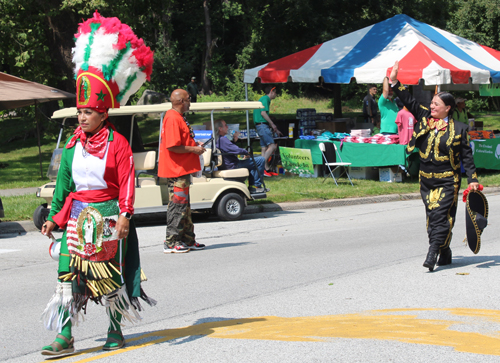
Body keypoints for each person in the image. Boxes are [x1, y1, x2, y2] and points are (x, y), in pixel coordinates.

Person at [40, 11, 155, 357]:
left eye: (88, 111)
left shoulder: (117, 143)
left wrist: (124, 216)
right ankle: (64, 335)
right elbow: (63, 187)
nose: (81, 116)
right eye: (79, 111)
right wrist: (53, 217)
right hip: (76, 219)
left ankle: (115, 329)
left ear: (103, 113)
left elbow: (127, 183)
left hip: (105, 218)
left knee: (108, 279)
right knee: (66, 279)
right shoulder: (72, 145)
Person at [390, 60, 479, 271]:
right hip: (426, 178)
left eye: (436, 104)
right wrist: (395, 82)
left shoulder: (460, 129)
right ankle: (445, 250)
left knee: (440, 215)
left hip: (448, 179)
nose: (432, 106)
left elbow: (467, 156)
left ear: (447, 108)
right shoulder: (424, 118)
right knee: (432, 217)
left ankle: (432, 253)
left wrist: (473, 179)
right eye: (431, 103)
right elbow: (409, 100)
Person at [158, 89, 206, 253]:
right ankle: (171, 242)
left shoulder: (178, 117)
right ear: (180, 101)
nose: (190, 101)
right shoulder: (172, 118)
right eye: (188, 99)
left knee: (184, 207)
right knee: (177, 205)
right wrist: (193, 149)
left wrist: (194, 145)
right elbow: (172, 146)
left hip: (182, 169)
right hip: (176, 170)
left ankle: (187, 239)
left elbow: (181, 141)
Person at [214, 119, 269, 193]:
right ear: (220, 128)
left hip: (228, 164)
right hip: (233, 165)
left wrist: (234, 140)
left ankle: (253, 186)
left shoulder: (218, 139)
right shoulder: (222, 140)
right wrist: (247, 153)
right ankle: (256, 186)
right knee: (261, 160)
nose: (227, 127)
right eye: (225, 125)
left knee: (253, 162)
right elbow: (237, 150)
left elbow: (229, 148)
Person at [253, 86, 282, 176]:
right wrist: (272, 124)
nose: (276, 94)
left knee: (264, 148)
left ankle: (266, 170)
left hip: (259, 125)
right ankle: (259, 166)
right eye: (275, 92)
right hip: (262, 125)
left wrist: (273, 127)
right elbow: (263, 113)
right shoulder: (266, 99)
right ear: (271, 91)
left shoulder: (262, 98)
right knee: (272, 146)